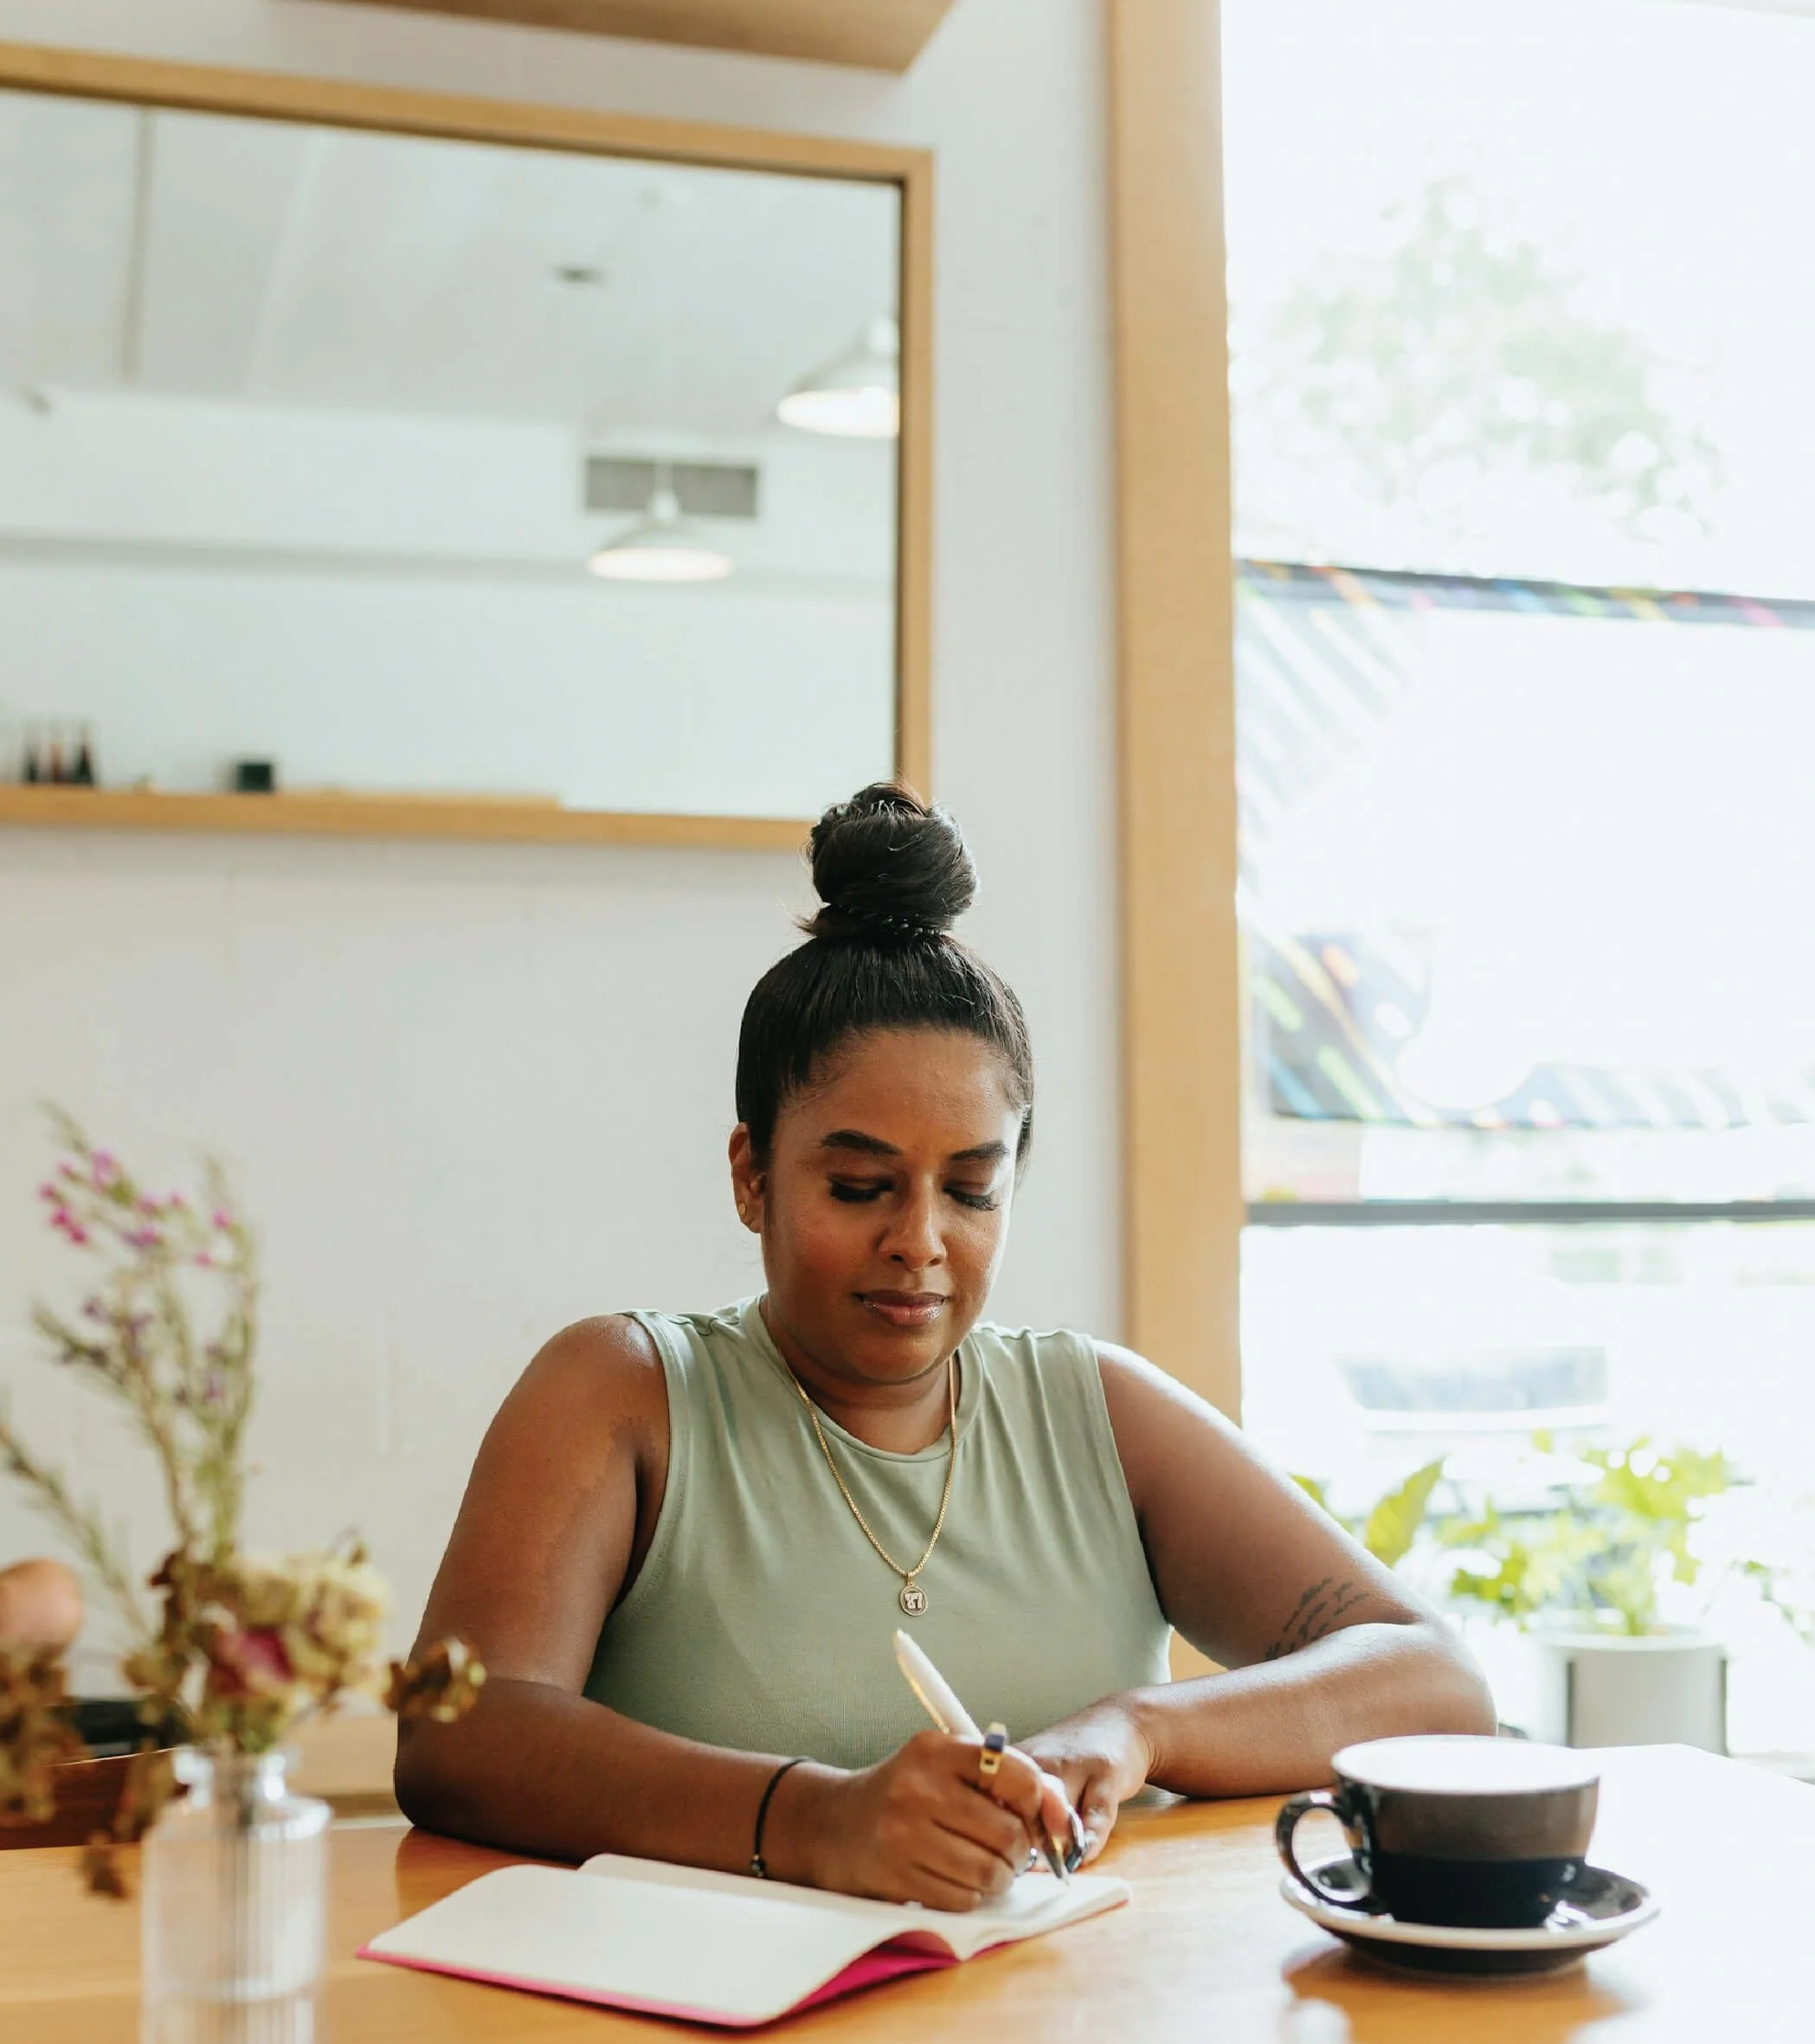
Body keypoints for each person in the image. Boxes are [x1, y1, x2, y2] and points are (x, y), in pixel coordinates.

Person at [398, 785, 1492, 1906]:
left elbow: (1435, 1680)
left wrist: (1136, 1731)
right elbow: (462, 1736)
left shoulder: (1098, 1414)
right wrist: (815, 1818)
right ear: (751, 1174)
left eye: (972, 1188)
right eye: (860, 1185)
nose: (919, 1241)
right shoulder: (624, 1393)